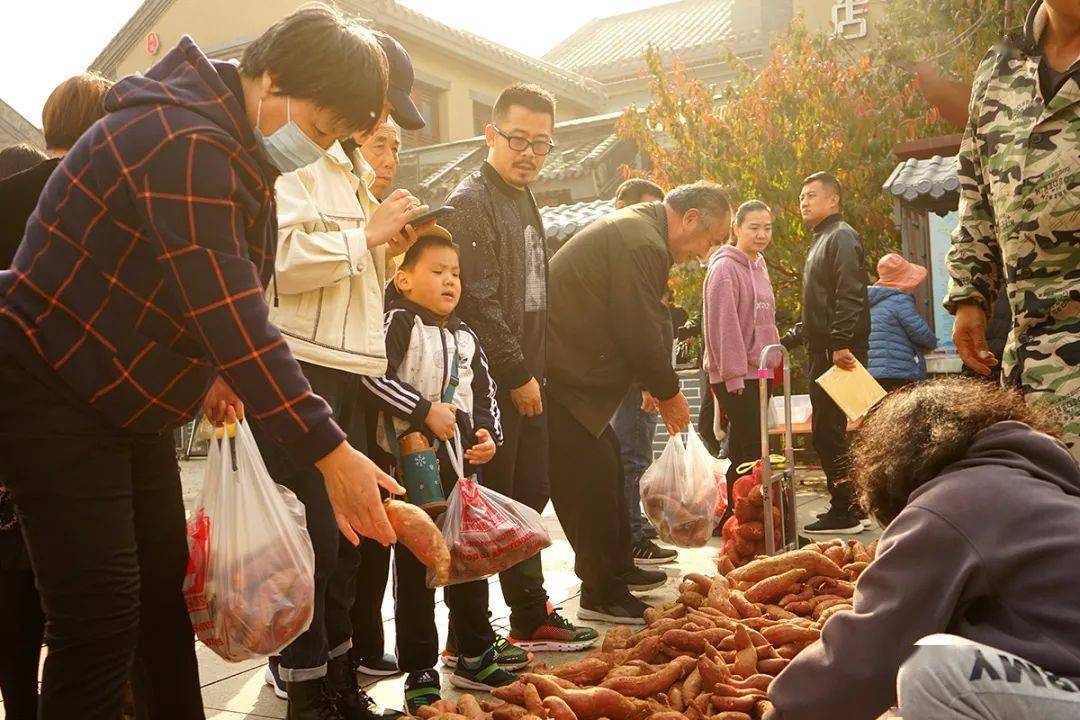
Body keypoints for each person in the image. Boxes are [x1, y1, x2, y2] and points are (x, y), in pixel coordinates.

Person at [0, 7, 410, 718]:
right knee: (98, 614)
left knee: (160, 593)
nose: (314, 152)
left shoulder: (233, 144)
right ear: (273, 80)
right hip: (52, 384)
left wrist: (216, 373)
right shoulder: (182, 138)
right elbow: (233, 313)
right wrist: (329, 451)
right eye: (317, 131)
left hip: (125, 401)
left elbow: (218, 287)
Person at [253, 27, 430, 716]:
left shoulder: (347, 169)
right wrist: (367, 236)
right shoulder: (294, 158)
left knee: (346, 545)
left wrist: (385, 251)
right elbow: (282, 261)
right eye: (377, 119)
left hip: (348, 369)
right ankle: (305, 690)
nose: (376, 131)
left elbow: (347, 274)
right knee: (312, 542)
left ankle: (337, 683)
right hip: (303, 366)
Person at [766, 378, 1080, 720]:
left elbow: (872, 651)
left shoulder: (955, 502)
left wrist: (784, 712)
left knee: (932, 669)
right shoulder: (1035, 487)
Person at [442, 83, 596, 659]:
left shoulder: (524, 198)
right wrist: (514, 373)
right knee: (481, 509)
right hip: (488, 386)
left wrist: (538, 370)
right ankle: (467, 639)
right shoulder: (472, 199)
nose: (529, 153)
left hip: (529, 376)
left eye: (542, 144)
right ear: (491, 135)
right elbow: (477, 301)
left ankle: (529, 617)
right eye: (518, 140)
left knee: (528, 499)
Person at [546, 181, 730, 624]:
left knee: (607, 468)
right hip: (560, 372)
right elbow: (638, 323)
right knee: (591, 479)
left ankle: (616, 570)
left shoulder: (641, 233)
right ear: (689, 219)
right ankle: (601, 591)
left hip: (574, 371)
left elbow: (638, 319)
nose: (706, 252)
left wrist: (651, 382)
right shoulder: (642, 240)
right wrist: (667, 392)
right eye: (711, 239)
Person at [363, 230, 517, 710]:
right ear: (404, 278)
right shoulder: (398, 323)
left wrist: (489, 436)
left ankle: (473, 651)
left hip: (461, 475)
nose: (450, 281)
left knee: (468, 563)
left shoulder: (468, 336)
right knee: (417, 570)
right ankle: (420, 666)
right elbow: (371, 375)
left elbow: (485, 394)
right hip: (411, 472)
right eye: (437, 271)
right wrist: (422, 409)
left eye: (455, 274)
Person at [0, 72, 114, 720]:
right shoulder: (92, 202)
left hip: (9, 441)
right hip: (69, 430)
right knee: (81, 608)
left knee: (12, 604)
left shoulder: (9, 192)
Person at [946, 0, 1080, 460]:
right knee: (1040, 515)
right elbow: (977, 192)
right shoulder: (1000, 67)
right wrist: (969, 294)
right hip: (1028, 362)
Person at [346, 118, 409, 681]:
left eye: (394, 147)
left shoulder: (383, 213)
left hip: (373, 391)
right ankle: (308, 658)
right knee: (337, 529)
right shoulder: (341, 200)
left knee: (376, 524)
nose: (387, 158)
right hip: (339, 382)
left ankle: (365, 641)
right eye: (378, 145)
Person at [782, 172, 871, 535]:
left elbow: (850, 294)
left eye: (812, 195)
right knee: (828, 431)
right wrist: (790, 338)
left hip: (838, 351)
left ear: (833, 200)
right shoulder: (822, 239)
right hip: (823, 347)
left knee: (827, 432)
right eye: (802, 196)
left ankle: (845, 510)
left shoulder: (842, 236)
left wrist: (840, 343)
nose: (804, 201)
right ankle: (852, 506)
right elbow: (818, 305)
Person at [608, 178, 679, 566]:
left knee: (637, 457)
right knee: (631, 458)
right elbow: (633, 327)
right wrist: (648, 384)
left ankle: (636, 526)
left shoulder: (644, 251)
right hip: (635, 382)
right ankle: (631, 538)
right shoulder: (630, 250)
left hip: (645, 378)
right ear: (622, 206)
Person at [703, 200, 780, 507]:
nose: (762, 234)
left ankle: (736, 516)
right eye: (754, 227)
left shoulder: (760, 265)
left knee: (745, 451)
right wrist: (733, 376)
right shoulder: (724, 268)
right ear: (735, 228)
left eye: (768, 228)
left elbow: (766, 318)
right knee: (753, 452)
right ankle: (757, 518)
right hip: (736, 374)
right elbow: (724, 326)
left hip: (760, 370)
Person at [867, 253, 937, 392]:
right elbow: (920, 333)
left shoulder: (870, 301)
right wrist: (934, 342)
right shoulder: (899, 300)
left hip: (872, 372)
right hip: (897, 371)